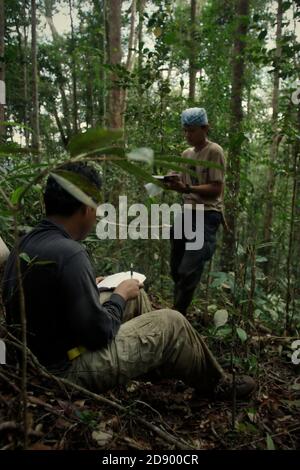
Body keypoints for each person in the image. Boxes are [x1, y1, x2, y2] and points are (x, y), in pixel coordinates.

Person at [2, 162, 254, 399]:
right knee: (172, 322)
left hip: (36, 360)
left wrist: (93, 283)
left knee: (138, 297)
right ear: (87, 207)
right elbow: (98, 334)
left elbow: (51, 296)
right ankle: (217, 384)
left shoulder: (27, 242)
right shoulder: (70, 252)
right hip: (63, 372)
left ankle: (156, 363)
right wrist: (119, 295)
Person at [165, 107, 225, 316]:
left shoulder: (214, 151)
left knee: (188, 269)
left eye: (191, 130)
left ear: (205, 128)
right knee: (176, 267)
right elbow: (184, 183)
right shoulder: (186, 154)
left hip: (206, 214)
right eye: (185, 131)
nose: (187, 135)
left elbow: (216, 189)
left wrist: (188, 188)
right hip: (186, 212)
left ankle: (177, 315)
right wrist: (173, 180)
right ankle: (176, 310)